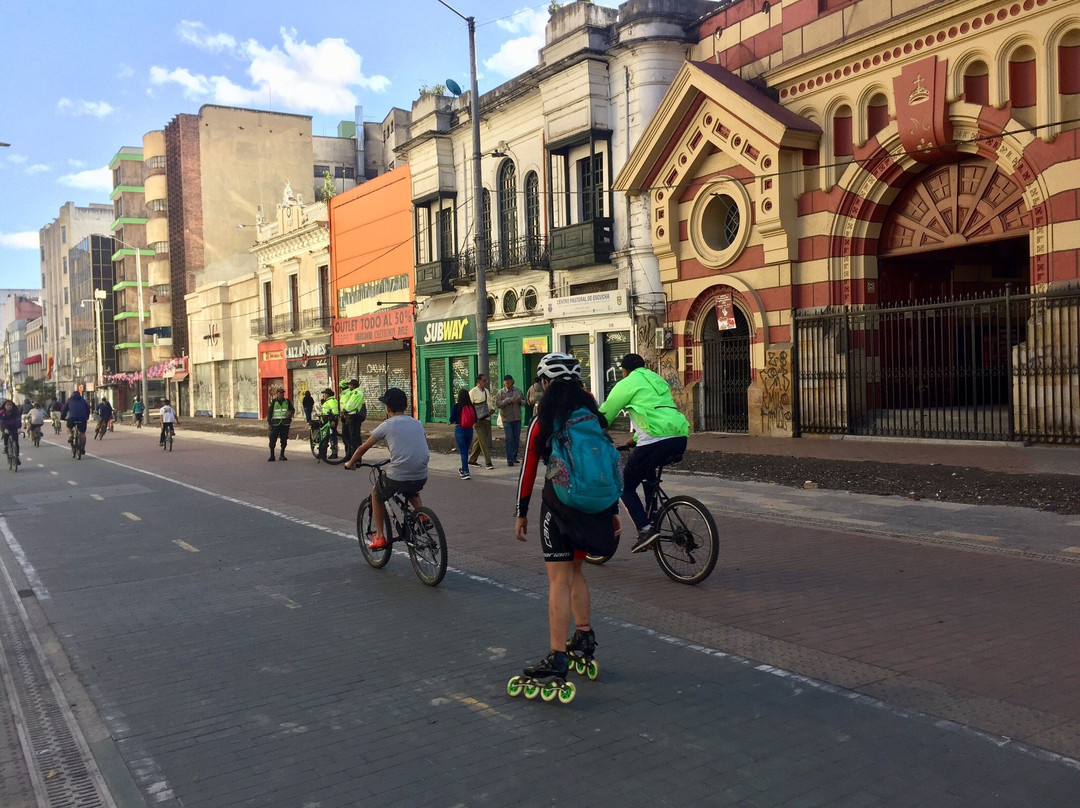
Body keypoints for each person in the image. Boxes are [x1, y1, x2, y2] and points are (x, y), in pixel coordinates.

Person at [513, 353, 619, 687]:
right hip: (596, 506)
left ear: (546, 383)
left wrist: (521, 512)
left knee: (558, 580)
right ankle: (584, 637)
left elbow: (528, 467)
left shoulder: (545, 417)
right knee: (576, 572)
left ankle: (557, 657)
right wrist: (612, 510)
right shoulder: (594, 415)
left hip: (559, 506)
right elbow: (605, 465)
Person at [598, 353, 690, 554]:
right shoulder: (657, 380)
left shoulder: (628, 382)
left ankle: (645, 529)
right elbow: (658, 414)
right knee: (648, 474)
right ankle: (654, 516)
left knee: (624, 485)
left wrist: (591, 432)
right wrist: (635, 440)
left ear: (624, 371)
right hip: (679, 438)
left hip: (654, 442)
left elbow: (605, 414)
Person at [344, 388, 430, 551]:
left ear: (387, 408)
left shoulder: (387, 425)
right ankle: (422, 516)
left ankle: (380, 537)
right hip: (422, 473)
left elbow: (362, 448)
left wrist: (350, 463)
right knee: (411, 489)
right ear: (405, 406)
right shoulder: (417, 423)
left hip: (399, 475)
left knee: (376, 494)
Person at [494, 374, 524, 466]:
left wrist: (519, 401)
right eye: (506, 380)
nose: (507, 382)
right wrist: (508, 400)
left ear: (512, 381)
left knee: (516, 439)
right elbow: (498, 404)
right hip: (507, 419)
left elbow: (524, 402)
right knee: (509, 439)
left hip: (517, 418)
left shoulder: (518, 391)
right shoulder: (501, 392)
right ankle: (509, 459)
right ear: (503, 382)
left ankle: (514, 457)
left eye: (509, 380)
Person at [467, 373, 494, 469]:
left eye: (486, 380)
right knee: (483, 441)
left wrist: (492, 409)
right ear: (478, 381)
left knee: (479, 440)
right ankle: (488, 462)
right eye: (483, 380)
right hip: (478, 421)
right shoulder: (472, 392)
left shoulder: (486, 391)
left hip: (487, 418)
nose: (485, 382)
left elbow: (489, 403)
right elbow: (469, 406)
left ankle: (472, 459)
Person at [449, 388, 477, 480]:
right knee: (466, 451)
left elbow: (451, 419)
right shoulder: (471, 406)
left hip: (459, 429)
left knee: (463, 452)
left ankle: (466, 472)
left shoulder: (457, 406)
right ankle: (463, 469)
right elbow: (475, 418)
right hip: (469, 430)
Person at [267, 387, 294, 461]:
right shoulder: (273, 402)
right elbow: (269, 413)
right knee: (272, 439)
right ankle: (272, 455)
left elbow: (292, 409)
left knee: (284, 440)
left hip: (285, 424)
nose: (282, 394)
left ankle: (282, 455)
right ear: (277, 394)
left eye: (283, 393)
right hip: (275, 424)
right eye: (280, 393)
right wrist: (269, 423)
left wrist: (291, 412)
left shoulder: (287, 401)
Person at [341, 378, 366, 457]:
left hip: (354, 417)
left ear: (353, 386)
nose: (349, 386)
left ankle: (356, 457)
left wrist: (345, 410)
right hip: (351, 416)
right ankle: (351, 455)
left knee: (355, 437)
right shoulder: (353, 393)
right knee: (351, 436)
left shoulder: (356, 393)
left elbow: (351, 405)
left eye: (350, 385)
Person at [317, 387, 340, 459]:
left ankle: (334, 453)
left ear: (327, 394)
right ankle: (323, 453)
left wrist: (334, 421)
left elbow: (335, 412)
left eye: (324, 394)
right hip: (325, 422)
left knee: (332, 437)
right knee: (324, 437)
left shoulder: (332, 401)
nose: (323, 395)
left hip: (330, 422)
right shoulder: (326, 401)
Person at [1, 400, 22, 465]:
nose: (9, 406)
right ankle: (6, 447)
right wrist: (4, 429)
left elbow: (18, 419)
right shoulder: (2, 412)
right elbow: (1, 421)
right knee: (6, 436)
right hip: (5, 426)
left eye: (10, 405)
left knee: (15, 441)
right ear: (4, 406)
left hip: (14, 426)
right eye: (7, 405)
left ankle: (16, 457)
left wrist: (18, 428)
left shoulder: (16, 411)